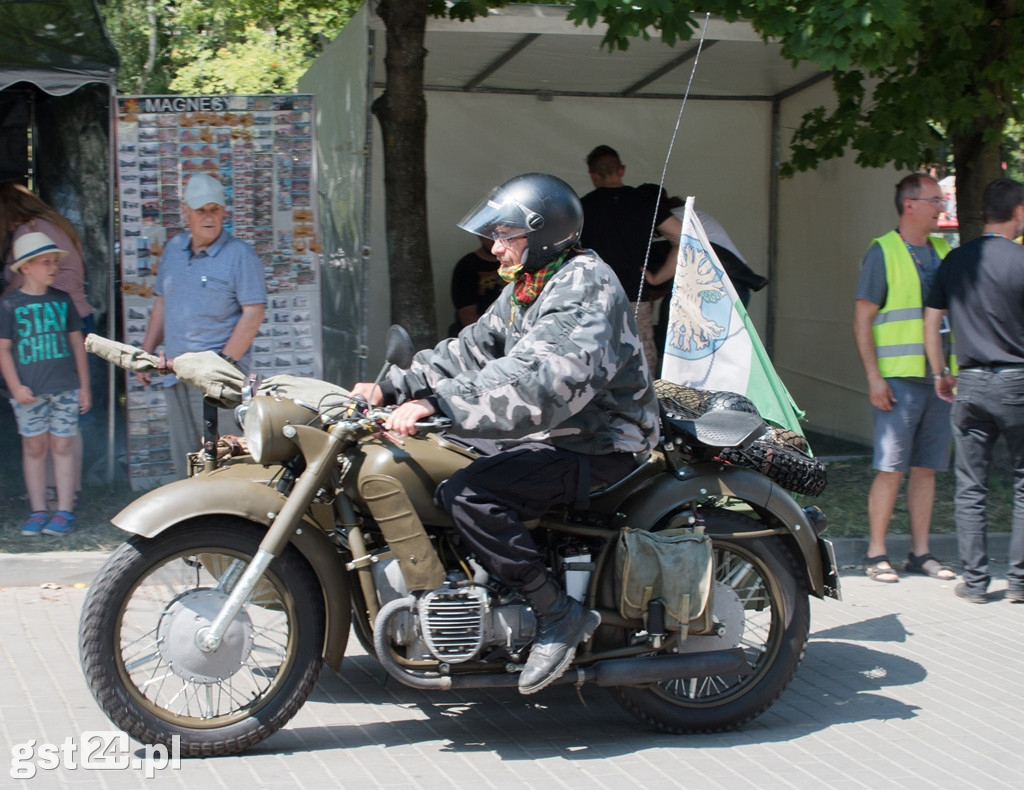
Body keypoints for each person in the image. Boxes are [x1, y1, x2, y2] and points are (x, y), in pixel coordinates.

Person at [351, 173, 659, 695]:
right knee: (439, 461)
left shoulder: (585, 286)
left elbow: (539, 384)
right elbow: (471, 349)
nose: (494, 247)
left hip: (601, 442)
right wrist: (394, 387)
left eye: (506, 235)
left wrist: (439, 403)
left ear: (542, 235)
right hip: (558, 434)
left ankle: (556, 614)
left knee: (469, 493)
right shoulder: (530, 284)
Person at [924, 177, 1024, 604]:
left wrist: (940, 372)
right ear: (1017, 211)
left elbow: (931, 321)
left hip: (971, 382)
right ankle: (1019, 582)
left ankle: (977, 583)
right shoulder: (1021, 261)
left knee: (970, 486)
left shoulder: (955, 260)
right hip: (1019, 383)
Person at [853, 173, 956, 583]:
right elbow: (863, 319)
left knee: (926, 468)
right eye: (934, 200)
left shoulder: (945, 250)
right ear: (909, 205)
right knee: (891, 468)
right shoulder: (883, 251)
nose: (941, 208)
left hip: (939, 381)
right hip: (897, 380)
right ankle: (876, 553)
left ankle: (921, 552)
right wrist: (874, 377)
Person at [136, 173, 266, 479]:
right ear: (186, 212)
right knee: (186, 457)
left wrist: (220, 366)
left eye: (215, 209)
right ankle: (196, 525)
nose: (209, 217)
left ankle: (233, 523)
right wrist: (145, 354)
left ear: (224, 212)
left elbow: (253, 315)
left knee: (225, 458)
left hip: (218, 381)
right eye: (201, 210)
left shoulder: (240, 255)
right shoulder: (174, 248)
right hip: (175, 372)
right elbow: (162, 304)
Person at [1, 181, 95, 501]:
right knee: (69, 419)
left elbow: (18, 286)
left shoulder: (29, 233)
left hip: (53, 322)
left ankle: (54, 491)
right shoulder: (55, 225)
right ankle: (68, 491)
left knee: (56, 415)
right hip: (77, 316)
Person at [579, 146, 681, 375]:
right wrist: (658, 277)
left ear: (593, 174)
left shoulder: (582, 207)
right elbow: (683, 238)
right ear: (622, 170)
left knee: (597, 363)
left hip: (596, 297)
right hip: (637, 296)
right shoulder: (645, 202)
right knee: (641, 363)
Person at [448, 234, 501, 336]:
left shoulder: (516, 263)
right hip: (479, 337)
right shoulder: (467, 266)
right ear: (480, 236)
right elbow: (468, 317)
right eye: (489, 235)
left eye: (500, 235)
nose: (495, 240)